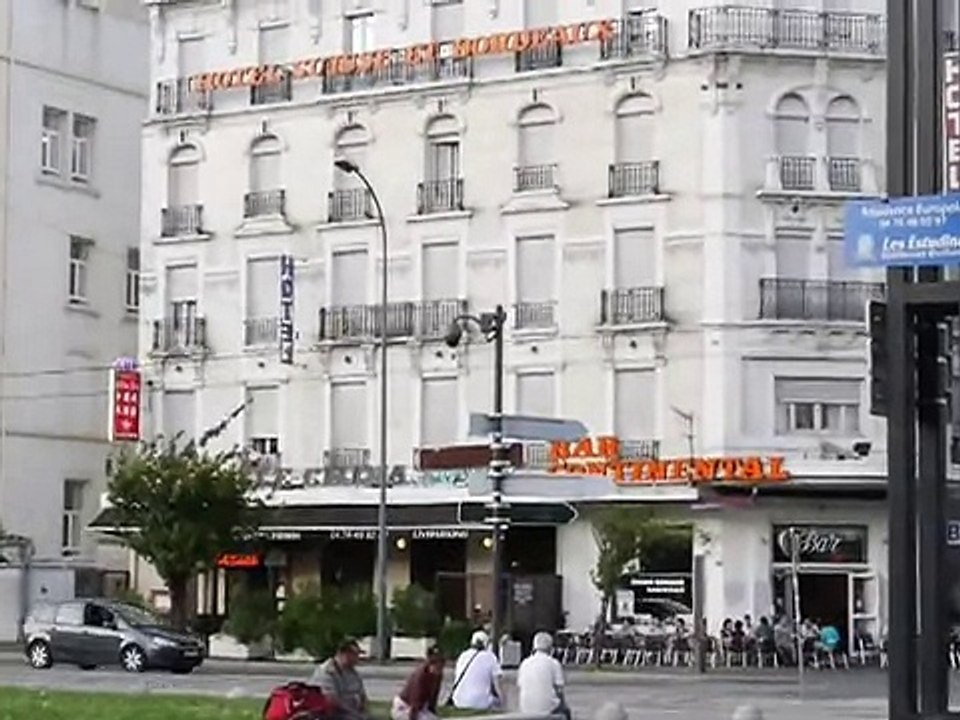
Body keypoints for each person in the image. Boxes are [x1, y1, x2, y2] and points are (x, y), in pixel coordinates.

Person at [310, 639, 370, 720]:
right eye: (353, 654)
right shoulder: (326, 672)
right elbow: (330, 700)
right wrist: (352, 710)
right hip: (334, 715)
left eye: (357, 654)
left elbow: (362, 694)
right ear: (341, 654)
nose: (357, 658)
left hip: (353, 713)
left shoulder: (352, 672)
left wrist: (362, 706)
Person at [517, 632, 571, 720]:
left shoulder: (524, 663)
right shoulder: (553, 663)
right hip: (548, 709)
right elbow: (559, 691)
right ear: (550, 648)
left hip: (526, 708)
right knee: (566, 711)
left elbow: (520, 685)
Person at [451, 630, 502, 711]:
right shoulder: (490, 657)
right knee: (496, 701)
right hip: (480, 703)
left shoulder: (463, 656)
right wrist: (501, 699)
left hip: (458, 701)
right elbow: (497, 685)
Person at [391, 647, 445, 720]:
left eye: (441, 667)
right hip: (405, 706)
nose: (439, 670)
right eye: (437, 667)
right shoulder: (420, 677)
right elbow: (415, 701)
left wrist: (432, 711)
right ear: (430, 665)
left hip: (421, 707)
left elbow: (434, 696)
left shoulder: (438, 675)